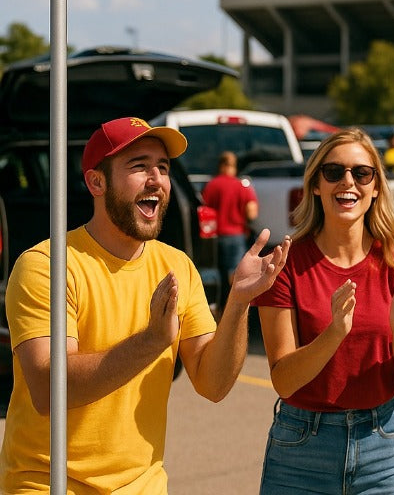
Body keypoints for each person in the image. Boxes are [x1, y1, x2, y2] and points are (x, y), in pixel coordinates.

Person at [0, 115, 290, 495]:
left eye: (163, 167)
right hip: (47, 484)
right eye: (139, 166)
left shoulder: (178, 266)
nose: (156, 179)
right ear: (96, 182)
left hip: (143, 486)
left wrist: (238, 302)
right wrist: (152, 341)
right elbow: (48, 390)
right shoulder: (48, 266)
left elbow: (213, 384)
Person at [254, 127, 394, 494]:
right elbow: (283, 381)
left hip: (385, 446)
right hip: (301, 450)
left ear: (376, 187)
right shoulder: (286, 264)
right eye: (333, 172)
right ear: (316, 185)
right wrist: (334, 332)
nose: (347, 182)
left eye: (361, 173)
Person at [203, 149, 259, 307]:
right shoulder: (241, 185)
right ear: (234, 166)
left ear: (220, 165)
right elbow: (252, 213)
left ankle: (220, 307)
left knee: (219, 274)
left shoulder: (212, 185)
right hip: (236, 236)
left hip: (216, 236)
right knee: (236, 274)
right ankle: (235, 306)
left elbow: (205, 211)